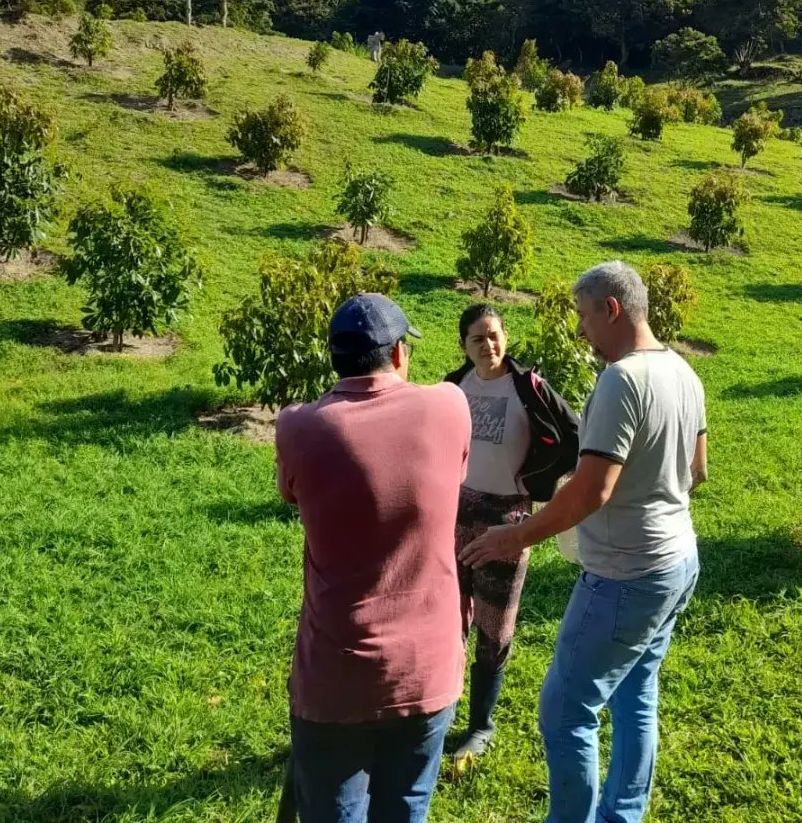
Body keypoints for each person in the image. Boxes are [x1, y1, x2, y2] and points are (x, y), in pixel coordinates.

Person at [461, 262, 707, 823]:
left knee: (566, 709)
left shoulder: (622, 380)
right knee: (635, 695)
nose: (580, 330)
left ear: (612, 310)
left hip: (626, 573)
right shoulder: (683, 373)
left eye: (583, 316)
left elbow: (594, 490)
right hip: (677, 560)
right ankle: (623, 814)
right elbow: (698, 471)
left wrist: (515, 535)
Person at [276, 293, 472, 823]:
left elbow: (289, 493)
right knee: (407, 808)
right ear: (400, 355)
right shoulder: (450, 406)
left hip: (337, 677)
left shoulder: (297, 426)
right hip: (427, 670)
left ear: (333, 359)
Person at [443, 304, 579, 764]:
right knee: (445, 619)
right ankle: (440, 709)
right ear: (463, 344)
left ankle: (480, 725)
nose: (489, 346)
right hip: (453, 514)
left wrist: (539, 482)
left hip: (508, 519)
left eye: (496, 335)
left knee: (494, 626)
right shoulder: (451, 388)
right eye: (478, 339)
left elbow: (575, 436)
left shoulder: (530, 389)